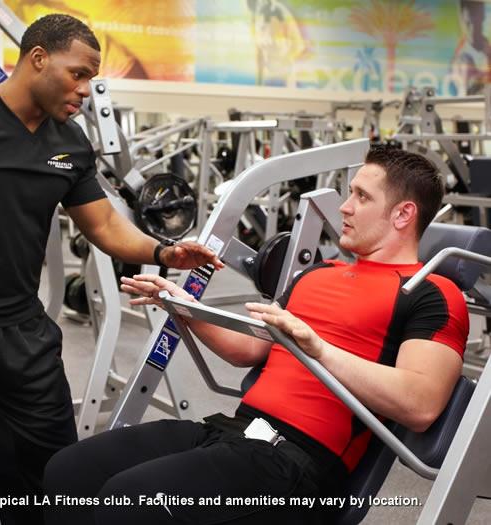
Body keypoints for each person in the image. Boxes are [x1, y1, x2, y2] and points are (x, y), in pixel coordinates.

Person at [0, 14, 222, 525]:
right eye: (78, 74)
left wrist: (165, 252)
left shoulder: (70, 142)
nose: (85, 89)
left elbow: (103, 224)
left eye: (91, 78)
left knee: (49, 486)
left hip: (24, 336)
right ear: (38, 59)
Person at [42, 146, 470, 525]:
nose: (345, 206)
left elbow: (420, 404)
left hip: (296, 467)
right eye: (349, 193)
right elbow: (246, 350)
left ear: (403, 214)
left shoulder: (432, 293)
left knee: (130, 501)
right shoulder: (318, 275)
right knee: (70, 472)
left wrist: (319, 350)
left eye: (362, 196)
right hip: (235, 432)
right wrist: (182, 305)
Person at [452, 0, 491, 95]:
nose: (473, 28)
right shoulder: (461, 58)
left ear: (482, 16)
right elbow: (465, 92)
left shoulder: (487, 49)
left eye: (476, 22)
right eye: (468, 23)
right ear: (462, 20)